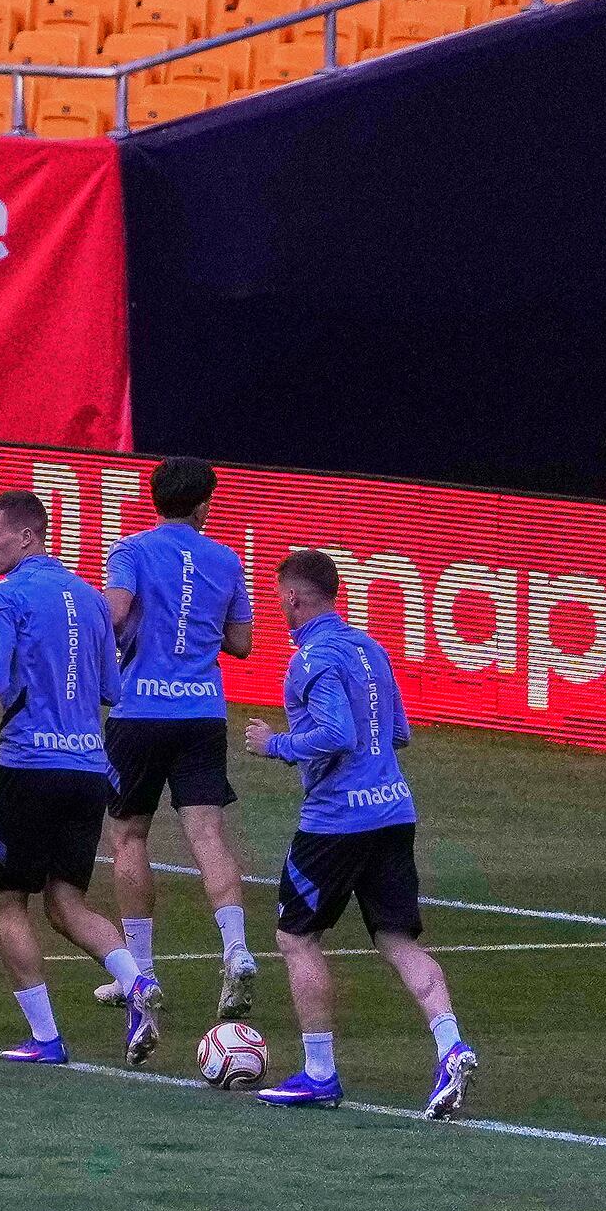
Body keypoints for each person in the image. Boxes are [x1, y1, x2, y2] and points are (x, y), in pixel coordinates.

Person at [251, 549, 477, 1116]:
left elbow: (336, 732)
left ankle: (319, 1071)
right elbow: (397, 733)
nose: (278, 607)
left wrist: (275, 745)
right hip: (394, 808)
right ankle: (451, 1044)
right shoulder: (372, 650)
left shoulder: (311, 659)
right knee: (399, 940)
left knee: (296, 937)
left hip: (336, 822)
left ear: (296, 599)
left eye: (280, 598)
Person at [0, 489, 150, 1066]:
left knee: (7, 903)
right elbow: (111, 691)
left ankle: (45, 1037)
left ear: (28, 537)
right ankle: (137, 980)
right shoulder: (92, 599)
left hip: (27, 767)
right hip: (85, 770)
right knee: (67, 903)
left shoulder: (6, 596)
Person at [98, 457, 262, 1016]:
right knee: (208, 834)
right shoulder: (227, 558)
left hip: (139, 711)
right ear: (203, 506)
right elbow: (241, 643)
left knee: (128, 838)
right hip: (201, 713)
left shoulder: (132, 551)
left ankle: (140, 973)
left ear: (155, 499)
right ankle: (236, 949)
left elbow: (114, 616)